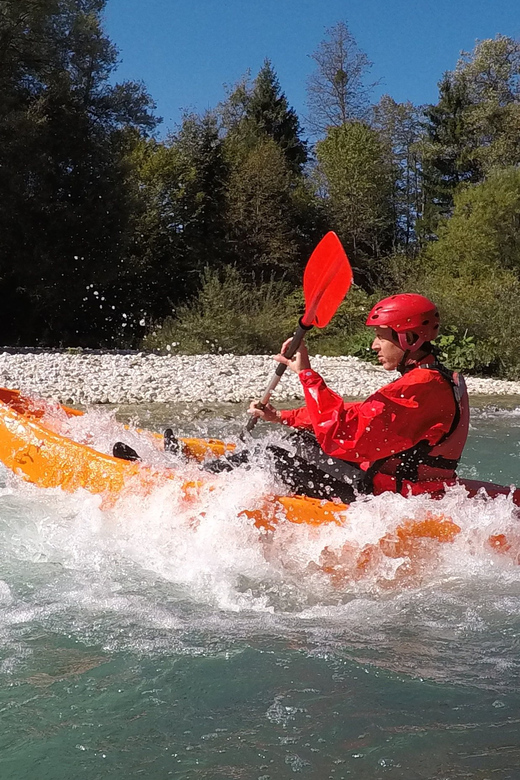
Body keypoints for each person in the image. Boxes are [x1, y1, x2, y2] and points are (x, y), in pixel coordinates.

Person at [247, 293, 469, 500]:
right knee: (303, 440)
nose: (374, 346)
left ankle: (215, 479)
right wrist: (282, 416)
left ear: (408, 338)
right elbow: (360, 413)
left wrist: (307, 375)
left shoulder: (420, 385)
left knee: (270, 456)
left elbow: (343, 433)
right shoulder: (438, 379)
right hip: (406, 487)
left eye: (380, 338)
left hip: (389, 497)